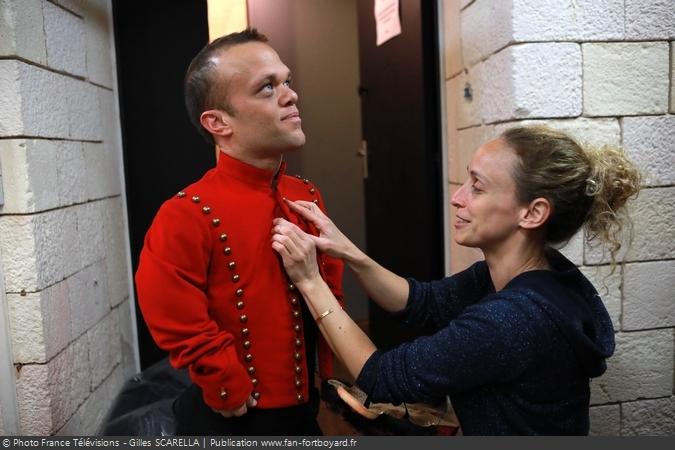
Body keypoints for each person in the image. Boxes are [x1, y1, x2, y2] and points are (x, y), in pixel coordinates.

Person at [271, 126, 641, 435]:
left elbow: (380, 376)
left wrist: (311, 282)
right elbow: (420, 302)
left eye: (477, 187)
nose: (457, 197)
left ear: (532, 212)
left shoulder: (512, 319)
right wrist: (349, 252)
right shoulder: (522, 273)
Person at [135, 28, 344, 436]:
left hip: (305, 414)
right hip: (232, 421)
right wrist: (224, 382)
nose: (290, 94)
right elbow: (171, 311)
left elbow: (329, 293)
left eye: (286, 81)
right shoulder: (186, 212)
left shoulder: (306, 195)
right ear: (218, 122)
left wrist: (334, 370)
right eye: (267, 88)